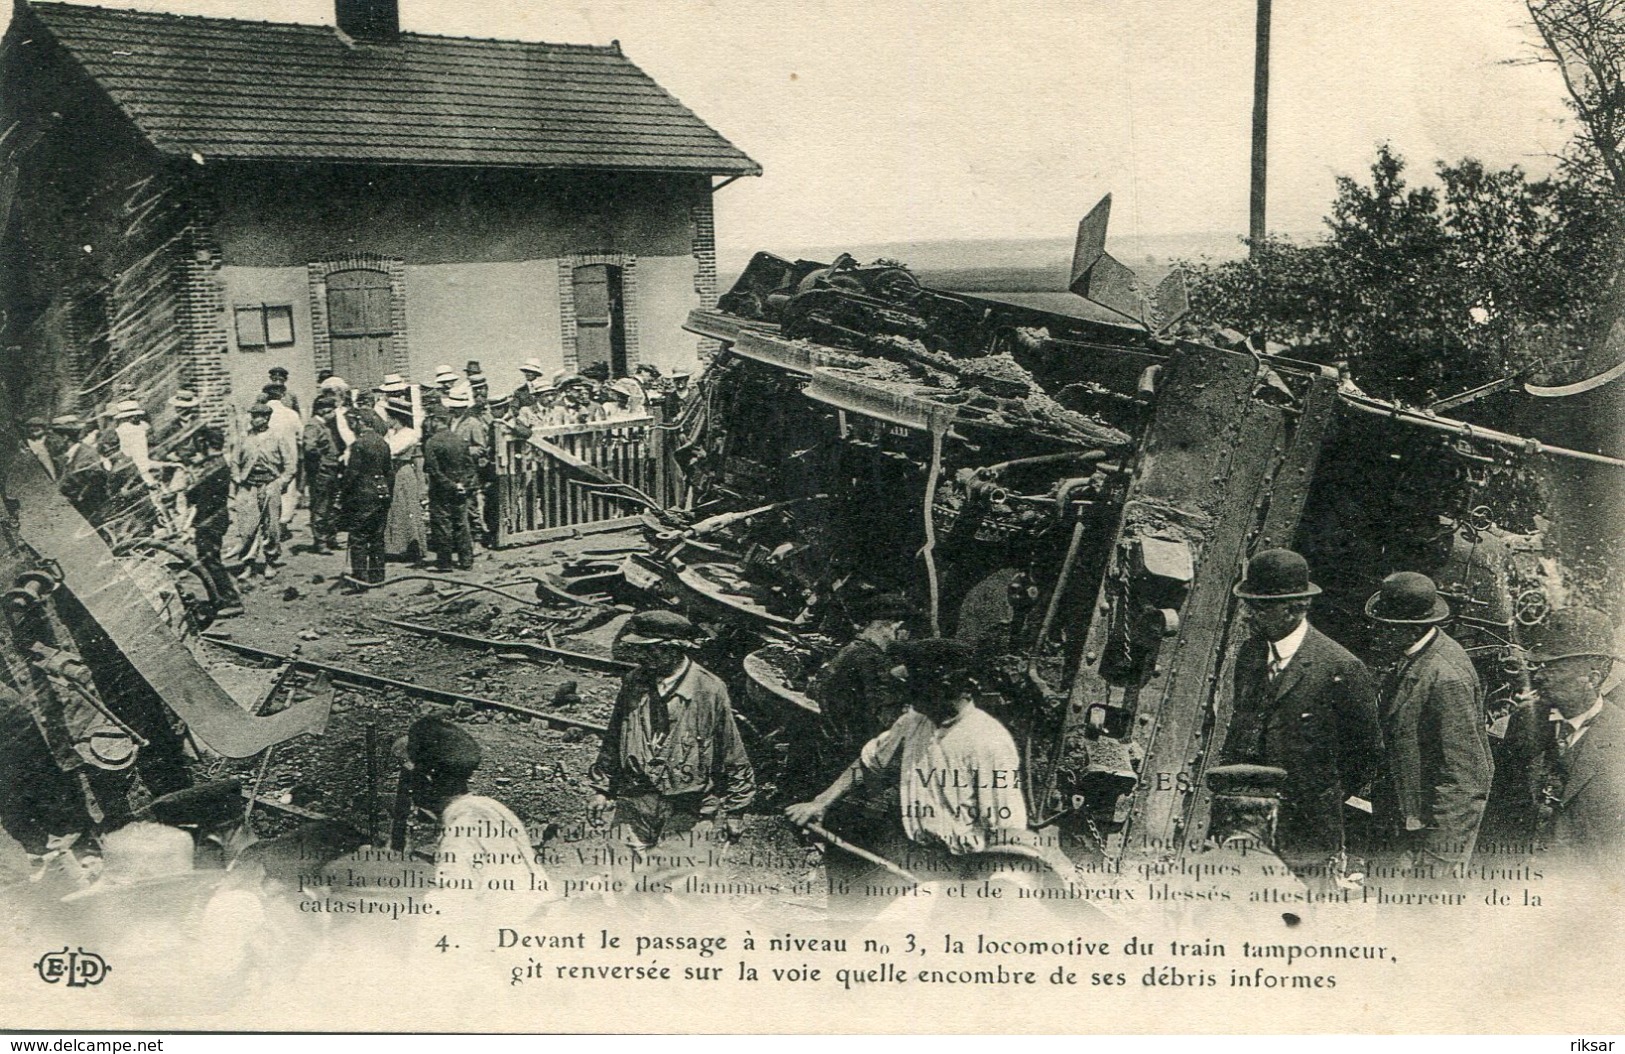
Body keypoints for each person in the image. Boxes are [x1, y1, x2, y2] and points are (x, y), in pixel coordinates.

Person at [787, 638, 1035, 886]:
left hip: (964, 869)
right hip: (914, 853)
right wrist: (820, 802)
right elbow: (871, 762)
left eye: (919, 687)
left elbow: (1009, 828)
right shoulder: (915, 720)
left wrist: (998, 890)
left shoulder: (987, 741)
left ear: (952, 688)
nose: (909, 695)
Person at [1220, 548, 1382, 878]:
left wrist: (1316, 793)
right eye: (1249, 604)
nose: (1250, 614)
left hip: (1305, 829)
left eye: (1262, 606)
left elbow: (1365, 753)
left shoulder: (1340, 667)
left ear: (1296, 608)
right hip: (1243, 822)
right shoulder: (1250, 654)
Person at [589, 611, 755, 850]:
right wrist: (602, 790)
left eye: (650, 649)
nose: (641, 656)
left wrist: (736, 811)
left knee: (671, 882)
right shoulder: (634, 681)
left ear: (674, 648)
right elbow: (614, 737)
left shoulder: (709, 689)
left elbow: (731, 750)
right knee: (624, 881)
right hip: (634, 801)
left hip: (688, 806)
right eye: (639, 649)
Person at [1364, 572, 1493, 872]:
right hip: (1400, 824)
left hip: (1423, 843)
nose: (1375, 632)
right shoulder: (1415, 654)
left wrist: (1438, 861)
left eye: (1384, 627)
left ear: (1411, 630)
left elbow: (1466, 780)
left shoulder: (1447, 677)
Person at [396, 716, 551, 900]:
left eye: (410, 777)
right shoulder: (492, 808)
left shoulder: (459, 833)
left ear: (427, 778)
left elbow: (450, 911)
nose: (408, 787)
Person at [1522, 607, 1625, 865]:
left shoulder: (1620, 736)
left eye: (1555, 668)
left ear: (1591, 679)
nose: (1539, 676)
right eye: (1540, 665)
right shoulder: (1521, 723)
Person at [185, 426, 244, 617]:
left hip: (209, 520)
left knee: (210, 560)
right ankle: (219, 598)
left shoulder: (211, 467)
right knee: (210, 559)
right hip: (215, 517)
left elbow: (196, 495)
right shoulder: (218, 463)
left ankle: (231, 600)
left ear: (206, 444)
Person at [230, 403, 290, 577]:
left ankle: (270, 562)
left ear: (267, 418)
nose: (255, 419)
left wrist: (281, 481)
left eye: (259, 416)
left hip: (270, 485)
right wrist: (237, 477)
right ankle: (248, 563)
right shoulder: (244, 438)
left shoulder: (277, 437)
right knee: (247, 527)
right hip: (248, 486)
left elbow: (290, 464)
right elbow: (235, 461)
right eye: (253, 415)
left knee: (271, 526)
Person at [339, 409, 394, 586]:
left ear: (360, 422)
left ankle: (360, 579)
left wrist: (343, 494)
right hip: (382, 495)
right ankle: (378, 577)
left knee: (358, 537)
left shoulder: (359, 445)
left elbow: (352, 474)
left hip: (363, 497)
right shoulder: (383, 443)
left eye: (352, 424)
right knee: (377, 537)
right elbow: (389, 473)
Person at [423, 399, 475, 573]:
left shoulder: (431, 443)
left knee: (442, 524)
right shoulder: (460, 440)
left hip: (441, 490)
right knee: (461, 523)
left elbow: (434, 471)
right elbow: (470, 467)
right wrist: (462, 484)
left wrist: (451, 485)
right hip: (460, 489)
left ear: (436, 420)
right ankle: (466, 560)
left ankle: (445, 563)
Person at [381, 398, 428, 566]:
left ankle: (411, 547)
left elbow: (391, 451)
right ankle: (396, 547)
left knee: (406, 506)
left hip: (403, 471)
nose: (387, 420)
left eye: (389, 417)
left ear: (396, 417)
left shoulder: (409, 434)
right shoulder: (393, 433)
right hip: (394, 471)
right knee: (395, 508)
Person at [302, 396, 344, 554]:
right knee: (320, 506)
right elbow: (309, 448)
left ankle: (330, 537)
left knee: (332, 505)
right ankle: (320, 541)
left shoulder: (325, 425)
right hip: (322, 472)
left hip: (331, 469)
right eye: (331, 410)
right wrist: (323, 459)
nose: (333, 413)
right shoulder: (313, 425)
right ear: (322, 410)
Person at [261, 385, 303, 537]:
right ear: (282, 395)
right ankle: (283, 524)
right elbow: (300, 436)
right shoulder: (291, 414)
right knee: (287, 491)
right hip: (289, 459)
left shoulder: (261, 414)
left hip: (267, 458)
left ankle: (269, 523)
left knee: (268, 488)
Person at [110, 398, 155, 484]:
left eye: (137, 415)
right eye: (132, 416)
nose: (136, 417)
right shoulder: (123, 428)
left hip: (144, 454)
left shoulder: (143, 425)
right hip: (132, 457)